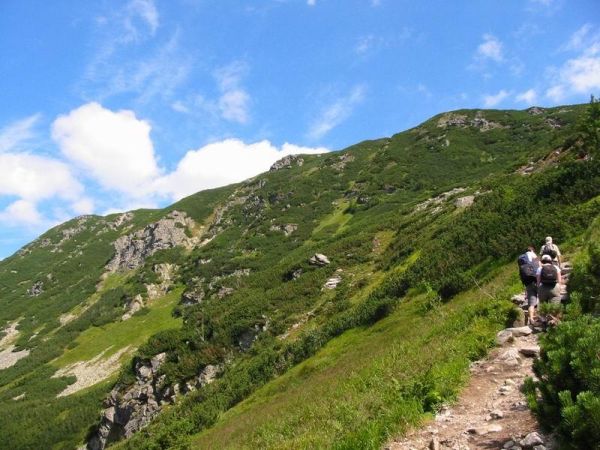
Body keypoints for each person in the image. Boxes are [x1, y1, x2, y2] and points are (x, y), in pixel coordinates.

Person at [518, 246, 540, 323]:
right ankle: (541, 317)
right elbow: (539, 267)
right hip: (536, 281)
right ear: (532, 250)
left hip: (528, 283)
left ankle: (531, 318)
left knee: (531, 304)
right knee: (542, 299)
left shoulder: (522, 258)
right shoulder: (533, 255)